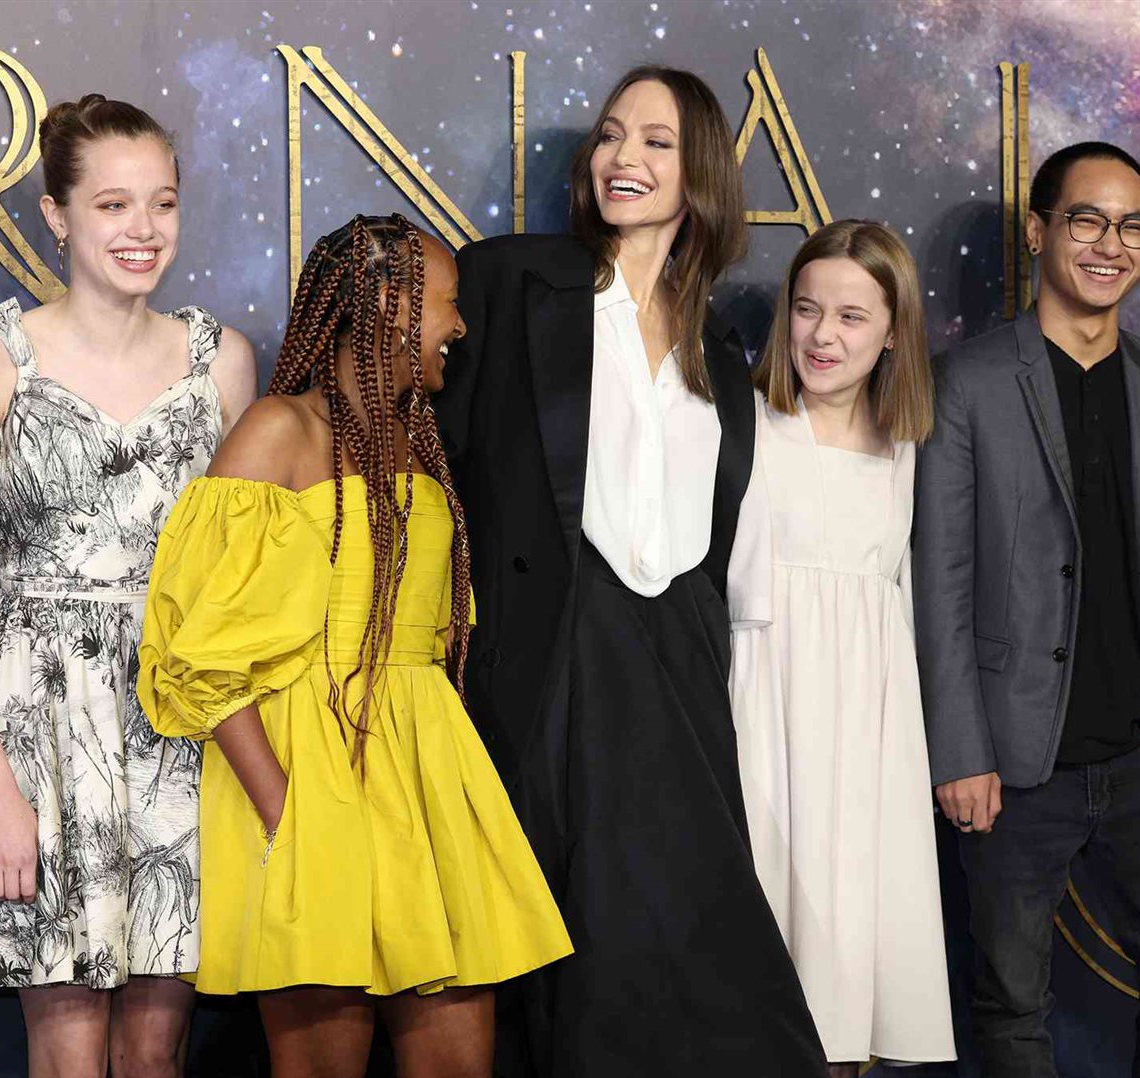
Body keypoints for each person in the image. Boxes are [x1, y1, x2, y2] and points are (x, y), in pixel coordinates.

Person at [436, 65, 827, 1078]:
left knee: (705, 948)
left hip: (681, 665)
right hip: (554, 656)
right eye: (612, 135)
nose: (623, 157)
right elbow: (434, 461)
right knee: (569, 958)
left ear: (701, 173)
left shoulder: (720, 348)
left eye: (657, 142)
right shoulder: (510, 280)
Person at [136, 214, 571, 1078]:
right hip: (310, 770)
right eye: (447, 302)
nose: (459, 325)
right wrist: (285, 813)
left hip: (426, 772)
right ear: (386, 304)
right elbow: (200, 654)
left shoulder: (418, 435)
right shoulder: (278, 431)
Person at [0, 94, 255, 1077]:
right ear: (57, 216)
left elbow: (242, 576)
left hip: (181, 727)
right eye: (112, 205)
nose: (143, 229)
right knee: (66, 1050)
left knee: (157, 1050)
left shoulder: (221, 363)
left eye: (162, 203)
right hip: (40, 730)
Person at [916, 141, 1140, 1076]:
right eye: (1087, 220)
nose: (1110, 245)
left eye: (1133, 227)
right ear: (1039, 231)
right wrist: (961, 751)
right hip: (1013, 763)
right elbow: (940, 578)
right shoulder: (967, 381)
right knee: (1012, 1002)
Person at [728, 219, 954, 1075]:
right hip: (761, 720)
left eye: (852, 317)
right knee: (757, 969)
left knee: (848, 971)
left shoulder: (907, 450)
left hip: (866, 741)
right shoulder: (743, 425)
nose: (823, 336)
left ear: (894, 331)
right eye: (808, 309)